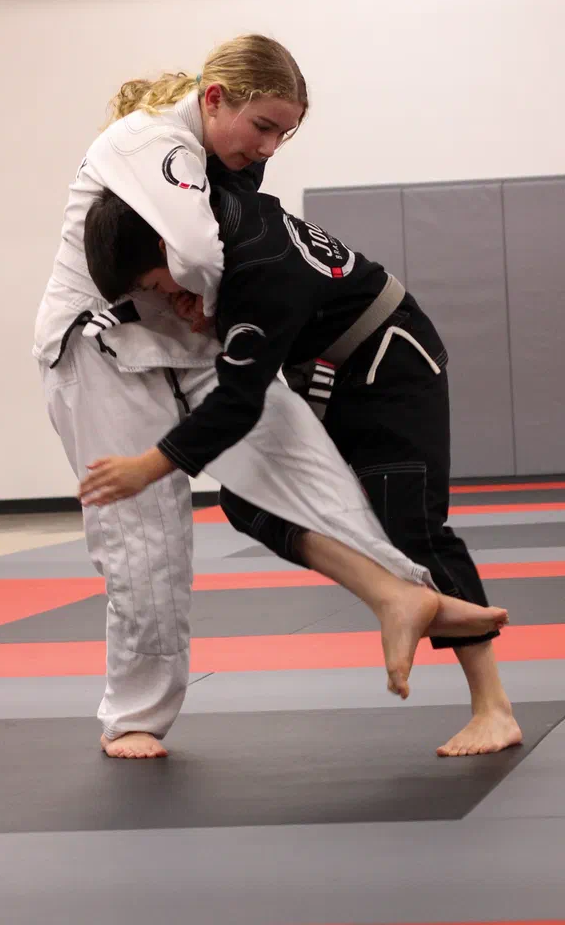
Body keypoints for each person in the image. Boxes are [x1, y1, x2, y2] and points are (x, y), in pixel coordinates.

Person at [33, 33, 504, 761]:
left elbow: (222, 336)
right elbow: (190, 254)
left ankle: (398, 594)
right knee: (147, 536)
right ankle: (136, 716)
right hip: (101, 342)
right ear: (214, 98)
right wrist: (202, 302)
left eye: (286, 134)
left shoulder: (240, 199)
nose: (271, 147)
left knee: (307, 472)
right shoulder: (147, 141)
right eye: (264, 127)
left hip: (253, 342)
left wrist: (203, 311)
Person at [78, 179, 523, 759]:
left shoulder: (256, 271)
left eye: (152, 285)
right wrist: (208, 307)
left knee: (410, 521)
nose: (160, 298)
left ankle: (494, 707)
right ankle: (392, 595)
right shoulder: (218, 217)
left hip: (390, 361)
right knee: (248, 496)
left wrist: (150, 465)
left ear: (166, 248)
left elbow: (238, 402)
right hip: (325, 367)